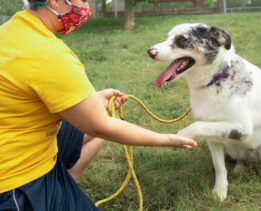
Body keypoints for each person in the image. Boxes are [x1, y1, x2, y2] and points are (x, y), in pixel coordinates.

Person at [0, 0, 197, 210]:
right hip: (15, 179)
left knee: (93, 137)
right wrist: (166, 139)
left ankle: (67, 187)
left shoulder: (14, 28)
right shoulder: (48, 54)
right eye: (83, 0)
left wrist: (92, 100)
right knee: (99, 129)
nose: (86, 7)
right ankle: (55, 195)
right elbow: (100, 126)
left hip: (21, 139)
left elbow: (32, 89)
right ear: (55, 1)